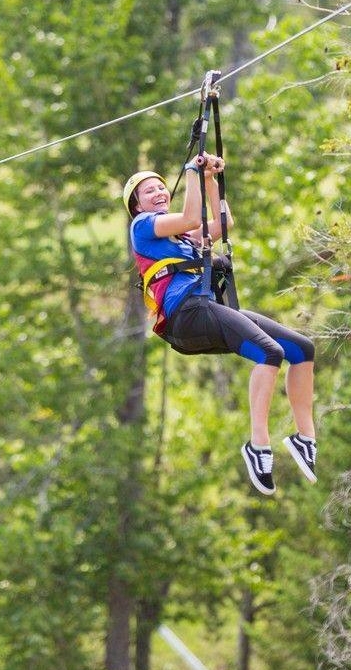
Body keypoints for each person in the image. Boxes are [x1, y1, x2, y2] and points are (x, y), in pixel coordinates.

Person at [124, 155, 317, 495]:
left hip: (205, 309)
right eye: (148, 191)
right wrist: (192, 172)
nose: (157, 192)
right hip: (186, 314)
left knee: (301, 349)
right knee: (269, 353)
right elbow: (187, 216)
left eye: (160, 187)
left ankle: (305, 438)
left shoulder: (183, 240)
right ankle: (258, 446)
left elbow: (223, 224)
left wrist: (210, 180)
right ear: (138, 207)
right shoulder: (142, 228)